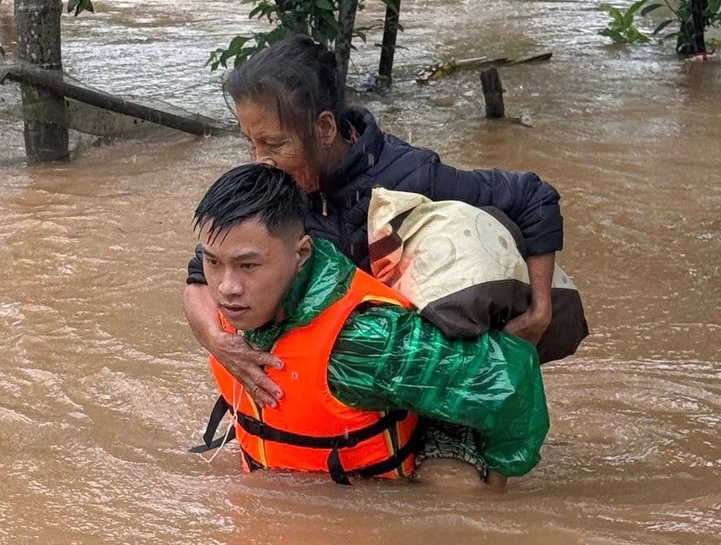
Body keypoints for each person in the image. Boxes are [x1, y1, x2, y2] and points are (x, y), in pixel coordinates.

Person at [184, 34, 564, 410]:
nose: (259, 161)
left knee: (447, 472)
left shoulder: (410, 177)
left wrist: (539, 312)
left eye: (274, 144)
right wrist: (219, 341)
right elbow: (201, 274)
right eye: (250, 143)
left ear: (326, 129)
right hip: (329, 381)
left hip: (420, 372)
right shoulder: (275, 189)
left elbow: (534, 197)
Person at [190, 164, 548, 486]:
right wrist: (213, 337)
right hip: (286, 472)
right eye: (213, 262)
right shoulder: (230, 301)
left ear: (301, 254)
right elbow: (196, 284)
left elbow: (511, 375)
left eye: (248, 267)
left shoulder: (365, 341)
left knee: (456, 487)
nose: (226, 288)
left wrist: (499, 484)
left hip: (390, 458)